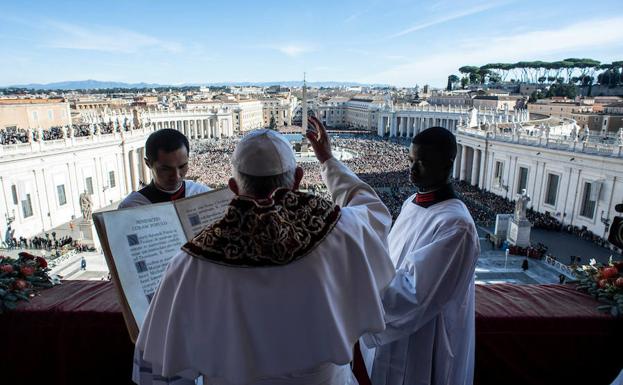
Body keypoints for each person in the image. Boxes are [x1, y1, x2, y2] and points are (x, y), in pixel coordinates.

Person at [133, 120, 395, 385]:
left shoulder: (192, 261)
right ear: (298, 179)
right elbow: (375, 212)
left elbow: (162, 361)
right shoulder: (342, 229)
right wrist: (328, 160)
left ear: (233, 188)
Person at [361, 127, 480, 385]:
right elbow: (390, 262)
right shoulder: (410, 203)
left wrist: (355, 287)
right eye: (411, 161)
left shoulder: (456, 226)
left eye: (423, 162)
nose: (413, 169)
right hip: (394, 330)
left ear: (447, 164)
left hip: (424, 342)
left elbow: (414, 293)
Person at [118, 129, 210, 209]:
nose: (176, 176)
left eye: (182, 166)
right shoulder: (130, 207)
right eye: (166, 169)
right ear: (148, 164)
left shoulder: (204, 194)